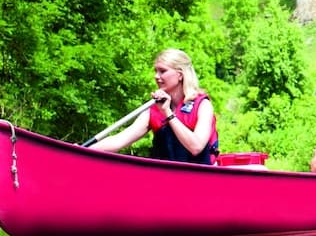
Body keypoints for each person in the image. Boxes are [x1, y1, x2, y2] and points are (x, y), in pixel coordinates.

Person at [91, 48, 220, 164]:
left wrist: (168, 113)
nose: (156, 76)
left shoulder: (202, 105)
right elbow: (119, 140)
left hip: (198, 178)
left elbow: (196, 147)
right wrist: (81, 150)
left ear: (180, 75)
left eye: (162, 71)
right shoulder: (153, 110)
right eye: (155, 71)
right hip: (165, 179)